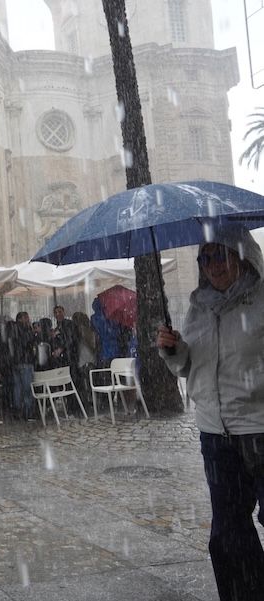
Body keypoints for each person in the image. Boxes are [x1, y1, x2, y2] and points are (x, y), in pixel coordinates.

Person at [156, 223, 264, 601]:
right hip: (217, 436)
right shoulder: (199, 306)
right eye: (205, 258)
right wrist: (173, 349)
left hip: (260, 429)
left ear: (241, 255)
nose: (213, 265)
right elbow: (190, 366)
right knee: (227, 536)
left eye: (220, 255)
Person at [8, 311, 36, 421]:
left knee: (17, 389)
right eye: (26, 318)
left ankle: (17, 411)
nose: (28, 320)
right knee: (27, 389)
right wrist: (31, 332)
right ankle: (28, 413)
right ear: (20, 319)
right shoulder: (24, 329)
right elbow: (27, 342)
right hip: (25, 361)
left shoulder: (12, 329)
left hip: (16, 362)